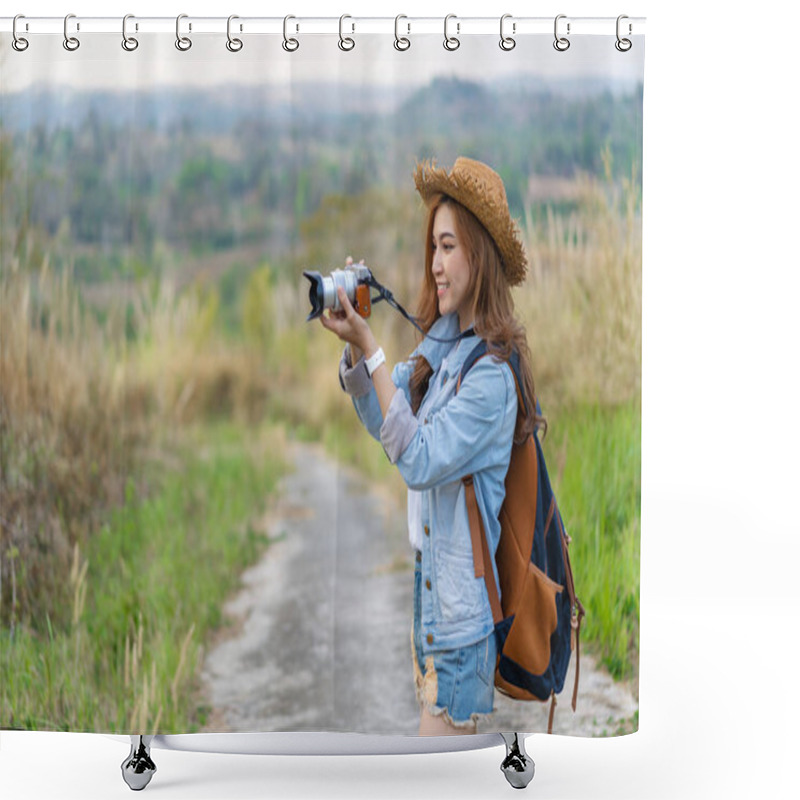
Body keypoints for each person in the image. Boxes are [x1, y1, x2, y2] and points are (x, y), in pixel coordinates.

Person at [319, 157, 541, 736]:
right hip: (432, 609)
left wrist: (372, 348)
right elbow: (391, 426)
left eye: (448, 247)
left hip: (461, 628)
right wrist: (354, 346)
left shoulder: (491, 376)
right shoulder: (446, 347)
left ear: (479, 254)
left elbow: (417, 458)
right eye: (433, 248)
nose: (435, 265)